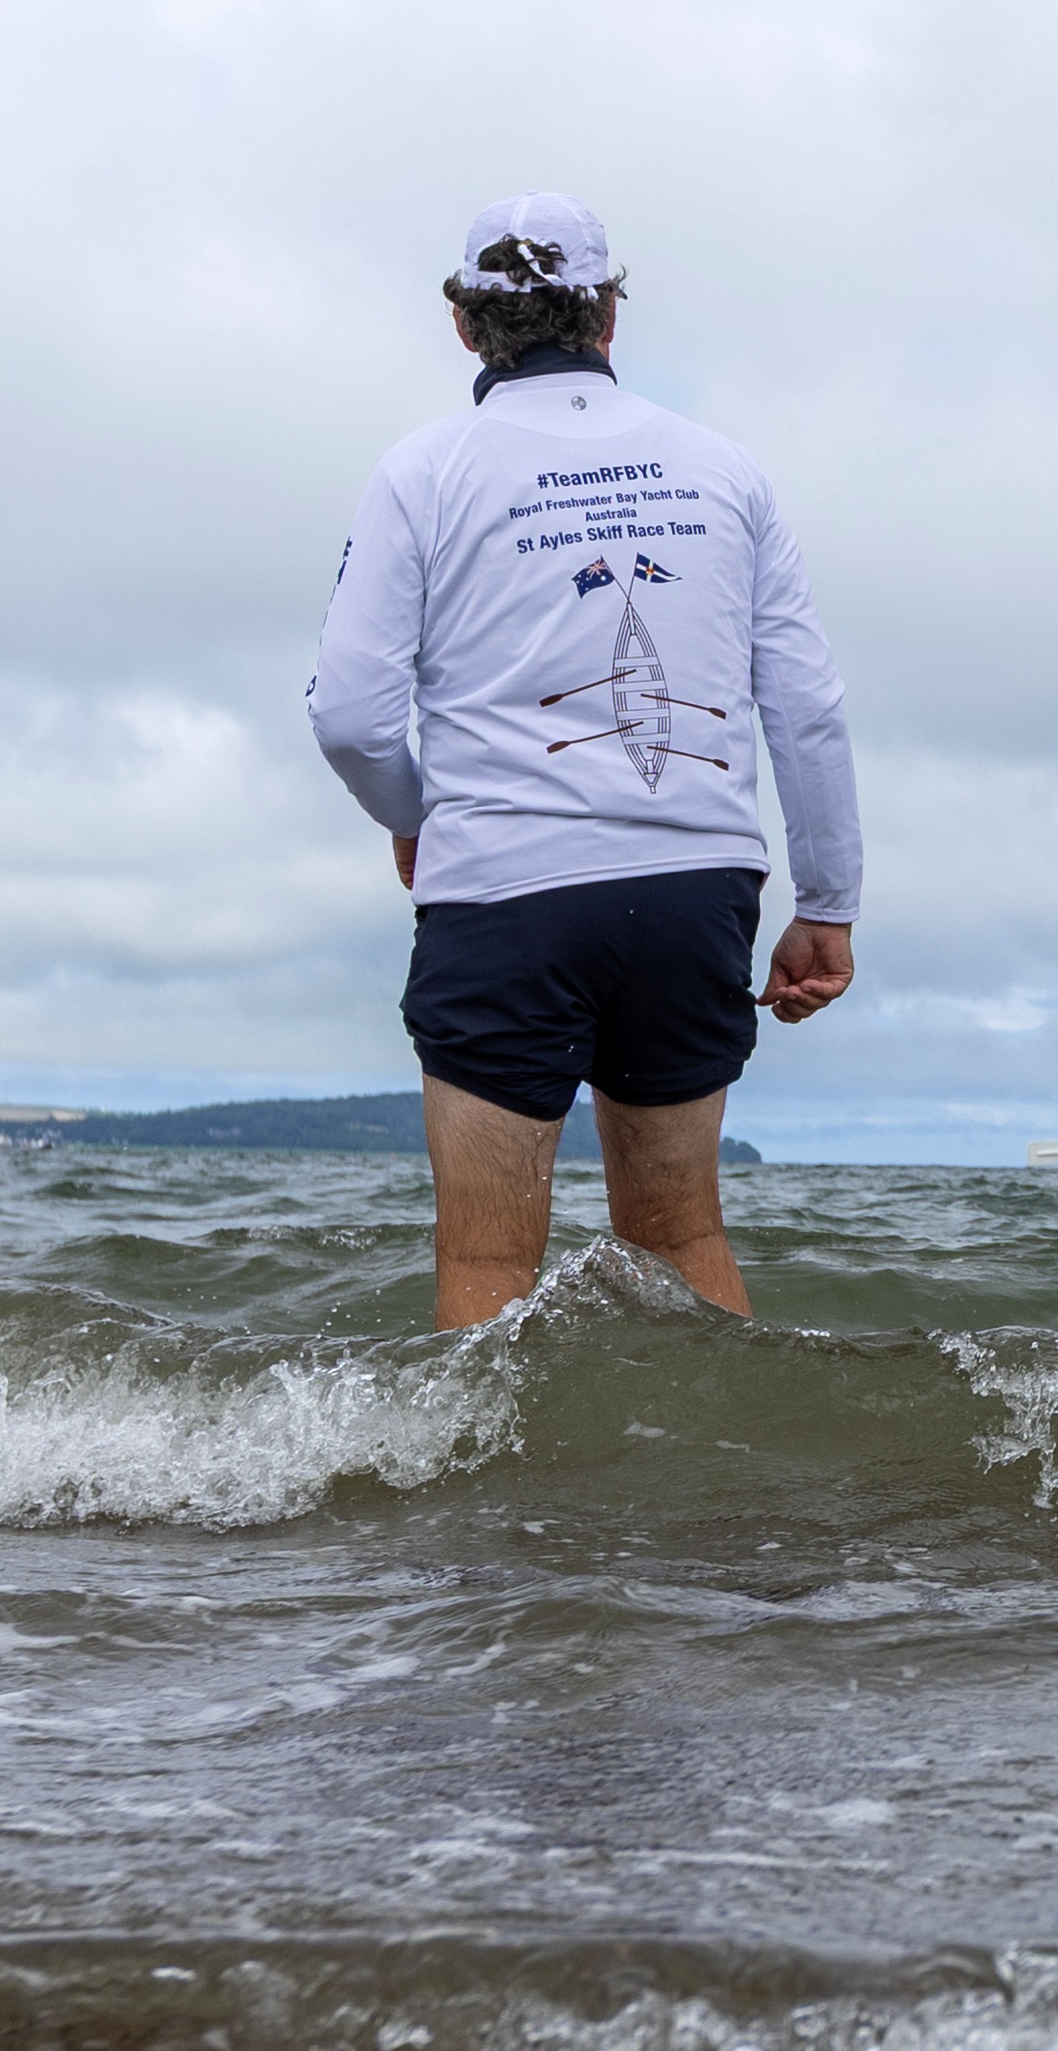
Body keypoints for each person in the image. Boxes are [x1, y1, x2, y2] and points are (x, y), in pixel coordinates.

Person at [308, 193, 860, 1329]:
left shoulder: (422, 472)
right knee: (683, 1234)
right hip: (695, 890)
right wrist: (828, 901)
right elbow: (804, 705)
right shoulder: (724, 469)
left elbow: (354, 719)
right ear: (608, 314)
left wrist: (417, 816)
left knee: (486, 1259)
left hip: (504, 891)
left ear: (466, 327)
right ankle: (714, 1500)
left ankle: (490, 1513)